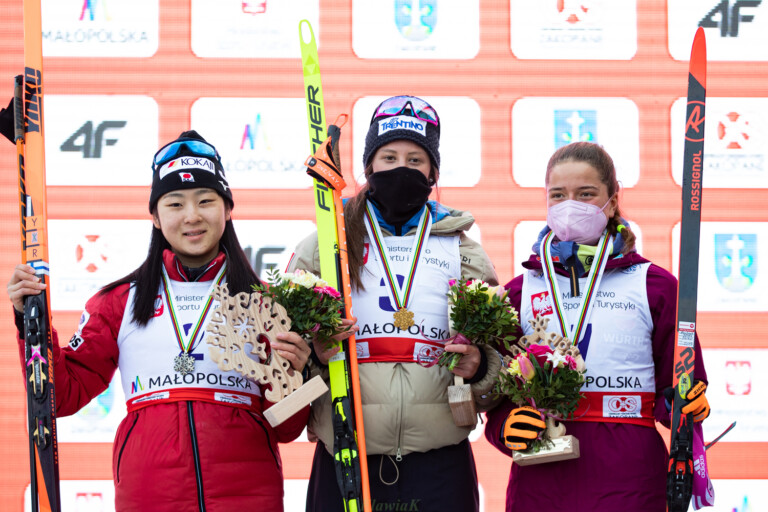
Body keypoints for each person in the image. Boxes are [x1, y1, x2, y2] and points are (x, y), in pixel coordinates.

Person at [7, 131, 311, 511]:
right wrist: (29, 322)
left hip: (248, 493)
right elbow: (63, 395)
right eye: (174, 204)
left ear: (228, 208)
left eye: (205, 201)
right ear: (154, 216)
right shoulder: (118, 302)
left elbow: (285, 428)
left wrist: (292, 375)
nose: (192, 216)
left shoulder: (265, 303)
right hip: (150, 493)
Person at [288, 95, 500, 512]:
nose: (401, 169)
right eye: (388, 157)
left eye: (415, 160)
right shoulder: (325, 247)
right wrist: (314, 354)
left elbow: (499, 362)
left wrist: (479, 369)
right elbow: (280, 359)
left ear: (432, 172)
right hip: (347, 455)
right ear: (368, 167)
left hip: (440, 462)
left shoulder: (465, 253)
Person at [484, 141, 710, 511]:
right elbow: (494, 392)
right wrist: (505, 425)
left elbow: (680, 388)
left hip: (629, 476)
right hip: (543, 474)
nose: (570, 205)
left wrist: (688, 403)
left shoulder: (655, 286)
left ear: (612, 199)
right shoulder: (519, 291)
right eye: (558, 195)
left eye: (586, 194)